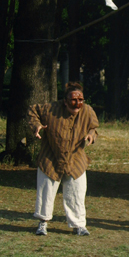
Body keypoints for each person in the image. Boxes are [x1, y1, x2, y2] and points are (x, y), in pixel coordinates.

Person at [27, 81, 99, 236]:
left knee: (77, 193)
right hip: (50, 158)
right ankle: (42, 223)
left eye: (80, 100)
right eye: (73, 100)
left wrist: (91, 136)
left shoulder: (87, 111)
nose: (77, 104)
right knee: (45, 192)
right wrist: (37, 126)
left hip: (76, 160)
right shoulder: (50, 109)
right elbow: (33, 111)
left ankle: (78, 225)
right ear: (65, 101)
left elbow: (93, 127)